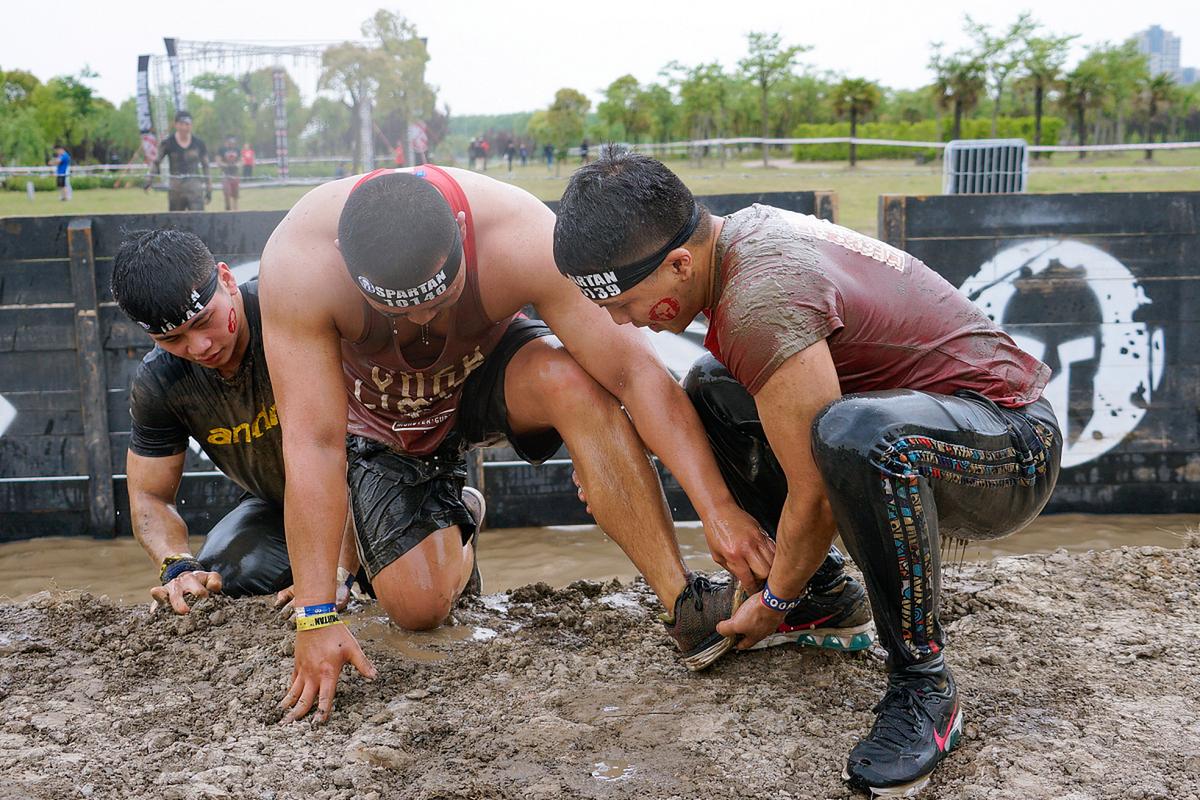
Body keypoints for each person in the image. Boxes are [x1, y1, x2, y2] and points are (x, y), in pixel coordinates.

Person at [552, 150, 1063, 798]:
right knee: (712, 388)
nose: (620, 322)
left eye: (626, 303)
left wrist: (772, 601)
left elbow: (816, 492)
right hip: (949, 426)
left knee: (860, 439)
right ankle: (825, 598)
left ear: (679, 264)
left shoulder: (759, 299)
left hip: (1012, 448)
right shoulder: (738, 238)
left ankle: (925, 688)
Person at [258, 165, 780, 723]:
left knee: (576, 381)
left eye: (440, 296)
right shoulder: (299, 265)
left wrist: (718, 511)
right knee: (418, 609)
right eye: (398, 309)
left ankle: (682, 603)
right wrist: (316, 617)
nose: (423, 317)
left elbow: (637, 375)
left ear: (461, 231)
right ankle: (460, 521)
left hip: (488, 372)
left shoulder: (521, 234)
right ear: (343, 258)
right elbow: (314, 444)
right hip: (381, 412)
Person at [109, 229, 373, 615]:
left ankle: (457, 516)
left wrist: (334, 574)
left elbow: (361, 453)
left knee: (414, 599)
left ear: (227, 279)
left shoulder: (293, 315)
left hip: (370, 486)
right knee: (218, 580)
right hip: (280, 505)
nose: (199, 347)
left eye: (203, 321)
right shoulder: (160, 381)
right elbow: (150, 496)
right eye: (173, 338)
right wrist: (176, 564)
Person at [148, 111, 211, 211]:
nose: (184, 128)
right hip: (176, 189)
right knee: (175, 222)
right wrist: (149, 179)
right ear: (176, 124)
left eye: (187, 124)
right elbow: (156, 161)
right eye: (181, 124)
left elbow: (206, 165)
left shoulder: (199, 144)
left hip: (194, 188)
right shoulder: (168, 143)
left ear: (191, 125)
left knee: (198, 221)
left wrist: (209, 187)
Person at [217, 135, 241, 211]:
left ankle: (236, 211)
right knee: (227, 193)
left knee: (235, 195)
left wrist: (238, 164)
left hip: (235, 174)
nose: (231, 143)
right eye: (230, 142)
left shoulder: (237, 149)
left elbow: (241, 160)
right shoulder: (222, 150)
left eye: (233, 142)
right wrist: (225, 165)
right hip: (225, 175)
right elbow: (218, 160)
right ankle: (228, 209)